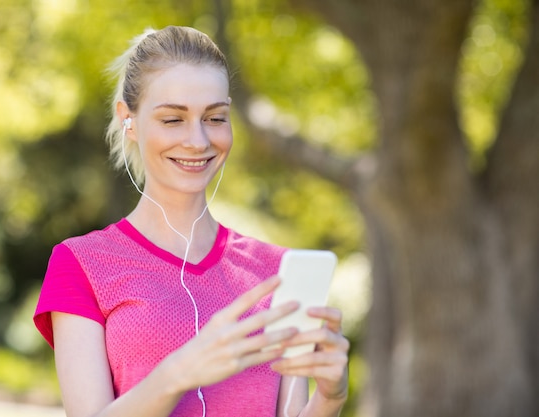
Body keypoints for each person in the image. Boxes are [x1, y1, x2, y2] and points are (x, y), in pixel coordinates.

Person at [33, 25, 349, 417]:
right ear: (128, 120)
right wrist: (181, 371)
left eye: (215, 118)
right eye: (173, 119)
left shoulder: (277, 271)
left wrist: (330, 398)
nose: (198, 141)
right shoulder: (81, 264)